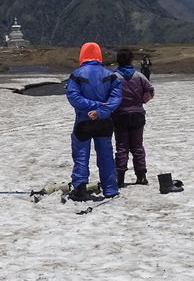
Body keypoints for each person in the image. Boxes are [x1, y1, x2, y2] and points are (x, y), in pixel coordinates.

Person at [66, 42, 123, 200]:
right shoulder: (110, 75)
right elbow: (116, 99)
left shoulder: (77, 75)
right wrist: (100, 110)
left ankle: (80, 189)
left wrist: (92, 107)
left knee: (81, 155)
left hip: (83, 121)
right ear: (99, 55)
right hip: (104, 121)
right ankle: (110, 189)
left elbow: (73, 97)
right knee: (105, 155)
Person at [113, 48, 156, 187]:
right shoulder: (139, 76)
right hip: (137, 114)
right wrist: (142, 100)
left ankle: (119, 177)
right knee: (137, 146)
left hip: (120, 115)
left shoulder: (114, 77)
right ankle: (141, 176)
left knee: (122, 147)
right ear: (131, 60)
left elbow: (108, 94)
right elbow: (150, 90)